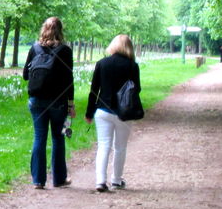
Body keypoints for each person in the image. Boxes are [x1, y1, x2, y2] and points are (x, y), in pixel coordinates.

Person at [22, 17, 75, 189]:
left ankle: (38, 180)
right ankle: (59, 179)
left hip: (36, 100)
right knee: (58, 138)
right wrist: (71, 104)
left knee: (39, 138)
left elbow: (25, 75)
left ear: (43, 29)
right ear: (61, 30)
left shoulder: (35, 48)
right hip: (58, 101)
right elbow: (69, 80)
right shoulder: (65, 51)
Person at [85, 34, 141, 192]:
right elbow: (137, 89)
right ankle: (116, 180)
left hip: (103, 110)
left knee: (103, 146)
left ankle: (100, 181)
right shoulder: (132, 66)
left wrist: (89, 112)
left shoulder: (102, 63)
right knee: (120, 147)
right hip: (124, 112)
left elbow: (94, 90)